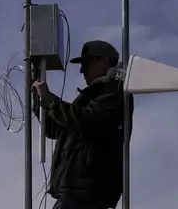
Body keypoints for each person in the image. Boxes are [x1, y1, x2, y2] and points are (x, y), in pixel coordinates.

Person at [32, 40, 134, 209]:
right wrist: (39, 99)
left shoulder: (115, 90)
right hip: (78, 192)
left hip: (88, 192)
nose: (81, 70)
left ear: (103, 61)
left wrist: (50, 100)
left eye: (86, 63)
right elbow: (56, 129)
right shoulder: (94, 95)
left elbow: (87, 120)